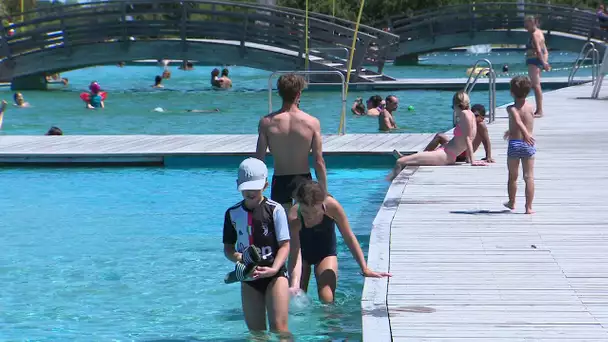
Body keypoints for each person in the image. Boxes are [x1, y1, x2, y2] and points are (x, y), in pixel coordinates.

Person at [287, 180, 391, 303]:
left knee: (327, 297)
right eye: (305, 212)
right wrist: (294, 284)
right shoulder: (294, 215)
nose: (310, 216)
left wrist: (364, 268)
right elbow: (295, 251)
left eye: (315, 212)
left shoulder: (332, 207)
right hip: (302, 255)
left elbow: (349, 237)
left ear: (322, 204)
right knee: (297, 295)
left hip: (325, 253)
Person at [222, 158, 291, 336]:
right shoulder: (232, 213)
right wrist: (240, 258)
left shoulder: (275, 210)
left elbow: (285, 245)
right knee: (256, 333)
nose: (250, 192)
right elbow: (228, 249)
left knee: (280, 331)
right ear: (238, 184)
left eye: (255, 187)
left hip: (275, 275)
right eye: (246, 187)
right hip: (248, 277)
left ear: (266, 185)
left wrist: (274, 269)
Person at [255, 73, 327, 210]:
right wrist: (324, 191)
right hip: (304, 180)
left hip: (280, 181)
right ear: (299, 94)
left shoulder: (266, 123)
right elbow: (318, 161)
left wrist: (257, 190)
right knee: (304, 223)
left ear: (280, 93)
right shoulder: (312, 122)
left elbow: (259, 161)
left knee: (282, 226)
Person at [387, 91, 486, 181]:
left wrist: (472, 161)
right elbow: (469, 136)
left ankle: (385, 184)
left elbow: (468, 138)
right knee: (408, 160)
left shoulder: (464, 114)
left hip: (446, 155)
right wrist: (469, 159)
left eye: (453, 107)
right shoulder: (471, 114)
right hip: (446, 151)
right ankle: (409, 158)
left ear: (456, 105)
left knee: (400, 162)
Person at [413, 104, 494, 163]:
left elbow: (486, 141)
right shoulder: (470, 122)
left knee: (441, 142)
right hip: (460, 148)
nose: (473, 117)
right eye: (472, 114)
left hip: (464, 153)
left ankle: (420, 158)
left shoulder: (481, 125)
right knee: (440, 136)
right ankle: (422, 155)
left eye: (476, 115)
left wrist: (488, 156)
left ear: (482, 118)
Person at [503, 76, 536, 214]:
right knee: (529, 176)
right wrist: (522, 133)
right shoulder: (531, 107)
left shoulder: (511, 108)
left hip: (515, 144)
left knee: (513, 176)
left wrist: (524, 134)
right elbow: (524, 120)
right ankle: (528, 207)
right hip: (528, 145)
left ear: (512, 92)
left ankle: (512, 202)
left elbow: (517, 120)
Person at [524, 15, 550, 118]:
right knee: (535, 85)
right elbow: (545, 50)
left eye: (526, 23)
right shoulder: (540, 33)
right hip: (539, 61)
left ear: (532, 22)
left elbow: (539, 50)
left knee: (536, 85)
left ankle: (539, 110)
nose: (525, 26)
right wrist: (545, 62)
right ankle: (537, 109)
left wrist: (543, 63)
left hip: (534, 61)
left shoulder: (534, 35)